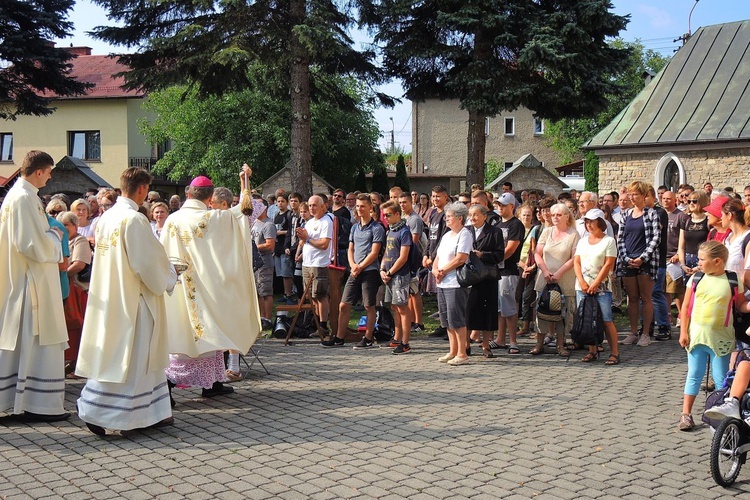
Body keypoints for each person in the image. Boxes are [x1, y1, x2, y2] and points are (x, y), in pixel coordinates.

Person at [76, 167, 179, 435]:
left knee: (114, 356)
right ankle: (119, 417)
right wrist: (170, 275)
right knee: (133, 360)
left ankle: (150, 414)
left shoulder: (107, 217)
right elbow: (146, 263)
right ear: (143, 189)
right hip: (134, 300)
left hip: (110, 295)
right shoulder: (133, 220)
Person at [161, 168, 261, 399]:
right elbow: (244, 213)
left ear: (188, 194)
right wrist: (244, 183)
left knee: (185, 331)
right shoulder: (213, 217)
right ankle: (168, 383)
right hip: (206, 286)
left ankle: (213, 382)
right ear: (209, 198)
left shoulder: (172, 219)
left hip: (178, 286)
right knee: (206, 330)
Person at [0, 151, 69, 423]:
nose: (50, 177)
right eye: (49, 172)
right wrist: (55, 235)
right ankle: (36, 404)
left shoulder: (19, 196)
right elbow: (30, 244)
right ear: (39, 171)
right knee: (33, 342)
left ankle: (28, 400)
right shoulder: (24, 198)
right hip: (31, 285)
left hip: (28, 280)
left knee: (28, 343)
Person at [677, 241, 749, 431]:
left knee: (720, 379)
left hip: (722, 338)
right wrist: (683, 331)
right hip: (697, 336)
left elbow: (741, 304)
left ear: (717, 261)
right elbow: (685, 307)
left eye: (702, 259)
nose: (698, 263)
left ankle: (718, 416)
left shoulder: (732, 280)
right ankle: (686, 414)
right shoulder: (696, 279)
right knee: (694, 375)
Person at [322, 194, 384, 348]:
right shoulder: (355, 227)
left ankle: (368, 338)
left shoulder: (377, 228)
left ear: (370, 208)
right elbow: (351, 249)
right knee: (344, 304)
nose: (360, 209)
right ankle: (339, 337)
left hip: (369, 271)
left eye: (363, 206)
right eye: (357, 206)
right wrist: (352, 265)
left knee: (369, 306)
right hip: (355, 270)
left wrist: (360, 266)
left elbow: (374, 253)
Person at [616, 181, 661, 347]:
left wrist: (643, 257)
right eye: (630, 194)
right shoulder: (626, 214)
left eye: (635, 194)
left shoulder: (651, 214)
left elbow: (656, 238)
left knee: (646, 298)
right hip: (628, 260)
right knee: (632, 298)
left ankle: (645, 333)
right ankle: (633, 332)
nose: (632, 197)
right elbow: (620, 238)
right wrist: (626, 257)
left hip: (646, 261)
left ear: (643, 196)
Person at [531, 203, 580, 356]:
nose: (555, 217)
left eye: (559, 215)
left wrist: (558, 273)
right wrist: (545, 270)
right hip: (544, 278)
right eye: (553, 215)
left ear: (567, 216)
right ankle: (539, 344)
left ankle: (561, 345)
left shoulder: (574, 234)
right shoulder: (547, 232)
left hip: (564, 279)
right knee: (542, 310)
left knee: (563, 313)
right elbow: (537, 253)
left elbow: (574, 258)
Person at [573, 209, 621, 365]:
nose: (589, 225)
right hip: (583, 286)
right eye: (586, 222)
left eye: (592, 221)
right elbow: (577, 262)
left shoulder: (609, 241)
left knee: (606, 319)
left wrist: (595, 283)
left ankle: (614, 353)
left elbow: (608, 264)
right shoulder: (582, 241)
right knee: (587, 318)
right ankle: (592, 351)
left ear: (600, 222)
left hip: (602, 287)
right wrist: (581, 281)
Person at [433, 202, 472, 365]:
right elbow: (438, 257)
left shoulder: (465, 234)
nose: (446, 219)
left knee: (457, 319)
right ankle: (452, 351)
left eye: (449, 216)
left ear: (459, 218)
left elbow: (461, 258)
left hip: (455, 282)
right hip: (442, 283)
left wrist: (443, 271)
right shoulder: (446, 235)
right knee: (447, 320)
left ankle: (462, 353)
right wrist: (435, 270)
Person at [466, 204, 504, 358]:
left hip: (488, 276)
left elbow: (499, 255)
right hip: (470, 276)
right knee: (469, 310)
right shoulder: (466, 231)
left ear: (484, 216)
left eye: (476, 215)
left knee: (488, 311)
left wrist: (483, 255)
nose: (473, 218)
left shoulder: (495, 232)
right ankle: (466, 344)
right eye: (470, 215)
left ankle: (486, 344)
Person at [490, 193, 525, 354]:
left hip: (508, 271)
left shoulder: (515, 225)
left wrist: (493, 258)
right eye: (498, 205)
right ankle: (500, 338)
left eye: (503, 205)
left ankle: (513, 341)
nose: (500, 208)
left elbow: (511, 249)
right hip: (497, 271)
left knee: (509, 306)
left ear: (512, 206)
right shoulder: (497, 225)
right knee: (499, 307)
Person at [58, 211, 91, 376]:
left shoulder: (80, 240)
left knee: (78, 326)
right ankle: (70, 362)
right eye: (62, 224)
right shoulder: (59, 240)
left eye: (67, 224)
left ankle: (79, 364)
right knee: (68, 328)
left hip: (77, 289)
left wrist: (62, 274)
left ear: (75, 226)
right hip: (66, 288)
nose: (64, 228)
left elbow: (78, 264)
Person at [297, 195, 334, 337]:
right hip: (307, 262)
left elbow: (324, 244)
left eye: (314, 205)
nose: (311, 208)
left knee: (320, 294)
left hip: (319, 264)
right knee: (311, 296)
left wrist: (307, 239)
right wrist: (302, 240)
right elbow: (306, 241)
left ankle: (324, 325)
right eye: (310, 205)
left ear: (322, 206)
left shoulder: (326, 221)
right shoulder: (309, 222)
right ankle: (317, 324)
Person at [379, 200, 412, 354]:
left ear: (397, 214)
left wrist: (391, 272)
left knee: (402, 307)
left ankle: (405, 342)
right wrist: (382, 269)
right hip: (389, 274)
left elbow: (403, 257)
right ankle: (397, 337)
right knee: (394, 306)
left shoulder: (404, 231)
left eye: (389, 215)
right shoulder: (390, 230)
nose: (386, 218)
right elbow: (387, 252)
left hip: (400, 275)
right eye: (384, 215)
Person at [660, 190, 690, 336]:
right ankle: (667, 316)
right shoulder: (659, 214)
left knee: (677, 290)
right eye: (663, 198)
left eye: (668, 198)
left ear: (675, 200)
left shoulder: (681, 216)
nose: (666, 201)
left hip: (675, 258)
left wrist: (679, 254)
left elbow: (685, 237)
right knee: (665, 290)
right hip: (662, 257)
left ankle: (681, 315)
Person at [399, 192, 426, 332]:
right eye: (400, 203)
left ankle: (419, 322)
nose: (402, 205)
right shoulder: (403, 218)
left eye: (405, 202)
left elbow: (414, 241)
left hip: (413, 258)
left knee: (415, 291)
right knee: (409, 291)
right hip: (404, 258)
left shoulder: (415, 220)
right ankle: (411, 320)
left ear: (411, 203)